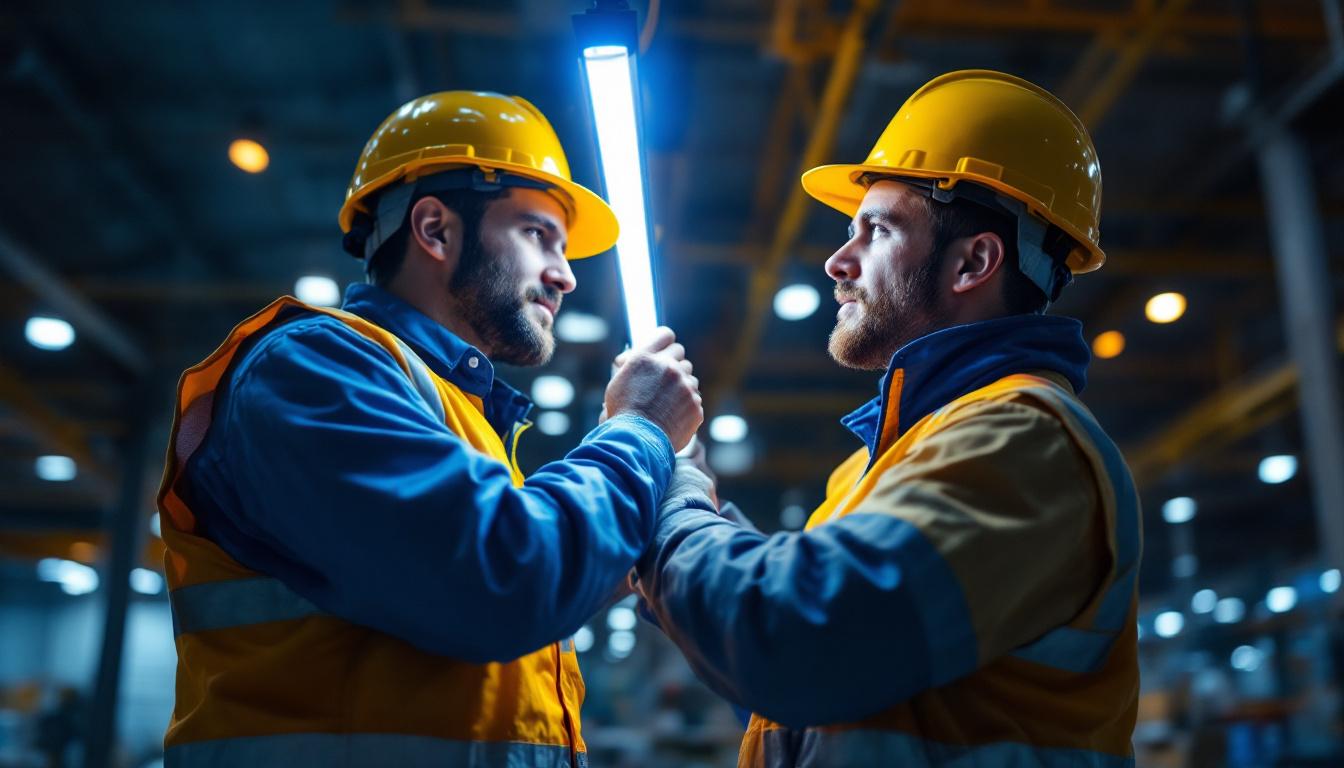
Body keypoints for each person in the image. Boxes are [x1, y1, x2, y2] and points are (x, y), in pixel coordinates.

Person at [156, 90, 702, 766]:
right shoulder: (311, 369)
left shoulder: (455, 413)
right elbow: (500, 577)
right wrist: (640, 430)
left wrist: (636, 544)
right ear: (436, 229)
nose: (565, 276)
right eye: (538, 234)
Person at [634, 70, 1141, 767]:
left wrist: (675, 509)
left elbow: (801, 645)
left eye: (875, 231)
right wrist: (700, 535)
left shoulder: (1025, 438)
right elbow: (801, 700)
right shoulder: (878, 465)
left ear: (974, 262)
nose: (837, 262)